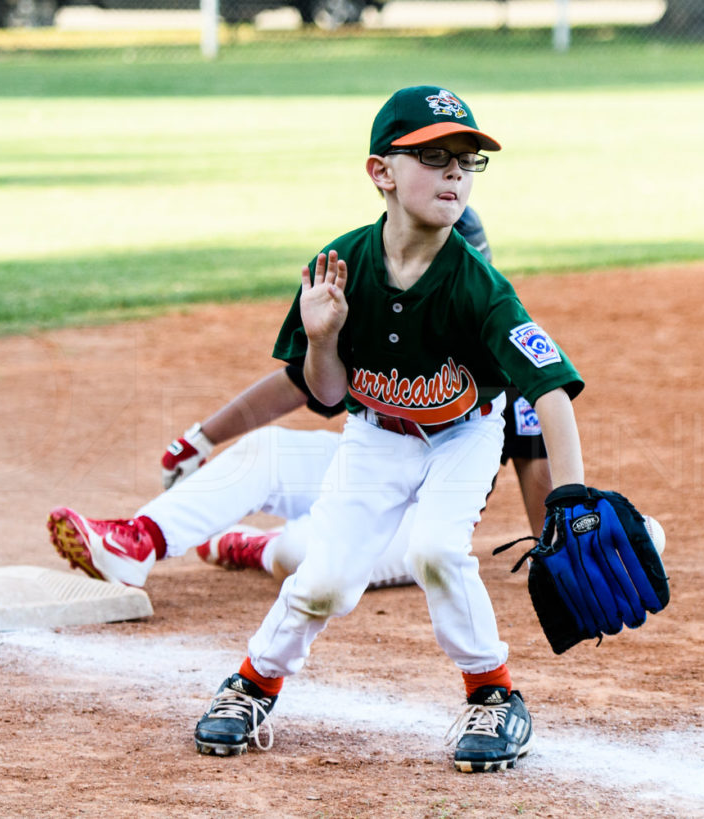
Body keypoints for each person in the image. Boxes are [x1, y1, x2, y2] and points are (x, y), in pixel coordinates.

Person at [188, 85, 588, 773]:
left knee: (436, 548)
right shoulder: (340, 267)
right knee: (328, 582)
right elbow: (327, 393)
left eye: (466, 159)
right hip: (374, 437)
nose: (456, 172)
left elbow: (549, 389)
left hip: (466, 435)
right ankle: (254, 682)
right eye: (434, 156)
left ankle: (493, 695)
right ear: (382, 173)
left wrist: (573, 498)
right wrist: (323, 337)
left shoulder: (477, 283)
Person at [47, 207, 551, 594]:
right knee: (264, 453)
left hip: (427, 515)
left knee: (301, 554)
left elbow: (535, 464)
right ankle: (139, 540)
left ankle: (252, 546)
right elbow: (300, 383)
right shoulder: (381, 315)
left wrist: (555, 555)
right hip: (369, 470)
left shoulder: (498, 337)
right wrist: (201, 437)